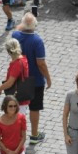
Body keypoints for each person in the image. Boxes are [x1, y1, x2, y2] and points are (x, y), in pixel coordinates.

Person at [12, 12, 51, 146]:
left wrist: (24, 23)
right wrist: (48, 78)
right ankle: (34, 135)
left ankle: (18, 134)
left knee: (20, 107)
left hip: (20, 78)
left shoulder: (15, 36)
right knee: (34, 108)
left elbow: (18, 28)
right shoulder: (37, 41)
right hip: (36, 80)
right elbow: (41, 63)